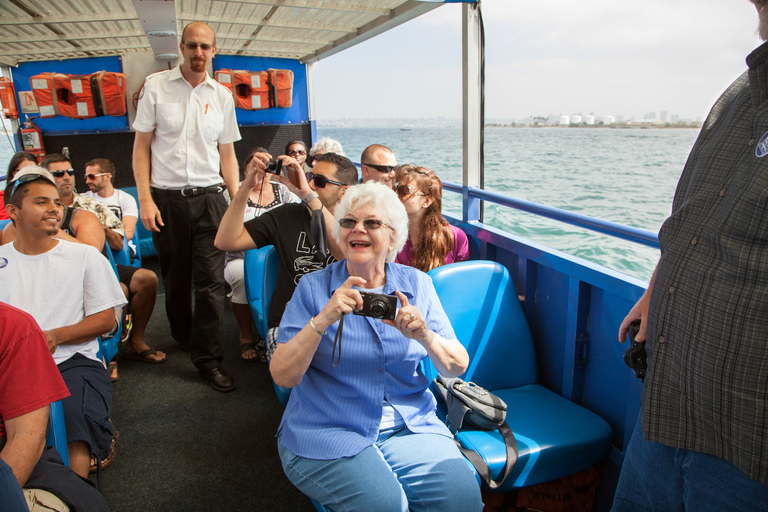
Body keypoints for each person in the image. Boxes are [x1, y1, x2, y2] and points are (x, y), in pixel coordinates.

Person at [612, 2, 768, 509]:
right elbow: (691, 222)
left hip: (748, 439)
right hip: (668, 400)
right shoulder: (740, 95)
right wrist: (656, 293)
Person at [271, 181, 483, 511]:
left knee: (463, 500)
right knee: (384, 504)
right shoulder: (314, 289)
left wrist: (425, 335)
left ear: (393, 236)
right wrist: (323, 319)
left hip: (409, 426)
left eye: (372, 223)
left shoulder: (418, 284)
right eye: (349, 222)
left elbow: (457, 366)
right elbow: (283, 376)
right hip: (328, 427)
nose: (358, 230)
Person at [132, 21, 241, 392]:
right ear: (181, 47)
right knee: (175, 279)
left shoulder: (223, 96)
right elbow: (141, 148)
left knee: (211, 282)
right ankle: (182, 332)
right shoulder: (156, 87)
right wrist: (144, 199)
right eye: (192, 46)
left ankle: (208, 359)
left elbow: (227, 153)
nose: (198, 53)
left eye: (205, 47)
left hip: (212, 199)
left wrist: (236, 198)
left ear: (214, 49)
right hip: (166, 201)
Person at [0, 168, 126, 480]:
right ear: (13, 212)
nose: (54, 208)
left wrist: (55, 337)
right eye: (41, 202)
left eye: (56, 202)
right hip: (10, 366)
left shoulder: (84, 257)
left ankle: (74, 491)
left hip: (72, 361)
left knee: (73, 424)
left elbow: (105, 319)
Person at [215, 152, 358, 360]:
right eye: (309, 177)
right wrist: (246, 187)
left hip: (343, 323)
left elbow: (347, 257)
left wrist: (308, 196)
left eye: (319, 181)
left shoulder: (358, 225)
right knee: (305, 370)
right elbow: (225, 241)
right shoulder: (286, 215)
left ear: (344, 191)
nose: (310, 184)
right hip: (290, 322)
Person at [81, 158, 165, 369]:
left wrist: (98, 227)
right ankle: (110, 351)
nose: (87, 181)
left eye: (92, 176)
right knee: (120, 289)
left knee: (147, 279)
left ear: (107, 177)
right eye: (85, 177)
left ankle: (134, 341)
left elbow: (125, 235)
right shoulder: (82, 201)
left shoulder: (124, 199)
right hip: (92, 258)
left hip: (117, 254)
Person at [223, 148, 300, 362]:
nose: (261, 171)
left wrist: (290, 180)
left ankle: (270, 327)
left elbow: (302, 208)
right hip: (240, 255)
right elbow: (224, 232)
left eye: (266, 166)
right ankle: (246, 333)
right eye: (256, 166)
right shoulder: (234, 191)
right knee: (240, 277)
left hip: (277, 253)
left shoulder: (282, 191)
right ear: (246, 169)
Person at [394, 165, 469, 272]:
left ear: (427, 201)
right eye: (395, 189)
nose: (396, 194)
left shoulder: (456, 237)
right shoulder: (391, 234)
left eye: (405, 191)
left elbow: (458, 280)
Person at [0, 152, 37, 220]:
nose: (28, 175)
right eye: (23, 171)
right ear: (13, 172)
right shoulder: (1, 198)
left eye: (33, 171)